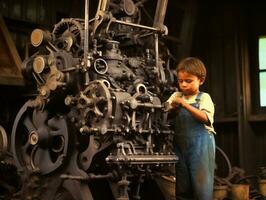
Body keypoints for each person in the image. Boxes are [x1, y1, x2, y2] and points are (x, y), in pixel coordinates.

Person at [164, 57, 216, 200]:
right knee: (182, 187)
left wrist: (185, 105)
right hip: (180, 146)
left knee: (201, 188)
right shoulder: (176, 95)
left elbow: (206, 118)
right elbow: (164, 110)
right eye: (180, 81)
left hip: (201, 146)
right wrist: (170, 107)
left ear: (201, 80)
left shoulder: (204, 98)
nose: (184, 85)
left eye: (188, 81)